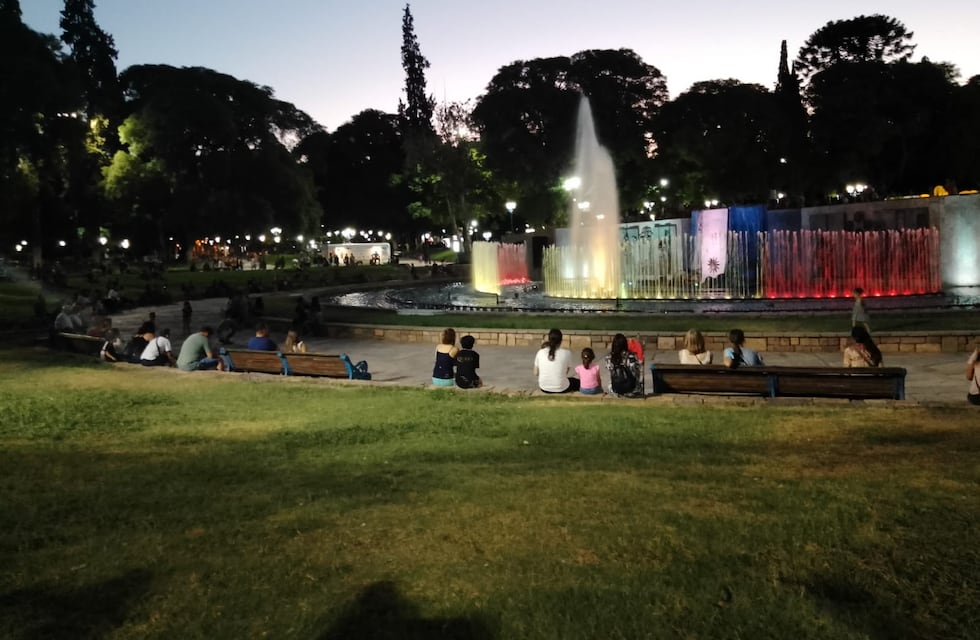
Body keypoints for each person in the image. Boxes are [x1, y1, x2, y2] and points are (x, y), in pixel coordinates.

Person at [533, 328, 579, 393]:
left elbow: (535, 373)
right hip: (561, 388)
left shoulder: (540, 352)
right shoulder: (567, 353)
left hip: (544, 387)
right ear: (561, 341)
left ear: (549, 339)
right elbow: (565, 372)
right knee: (575, 382)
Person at [604, 333, 643, 397]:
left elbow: (611, 371)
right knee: (638, 384)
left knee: (610, 385)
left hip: (616, 389)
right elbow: (636, 374)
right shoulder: (632, 357)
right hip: (632, 390)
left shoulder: (608, 358)